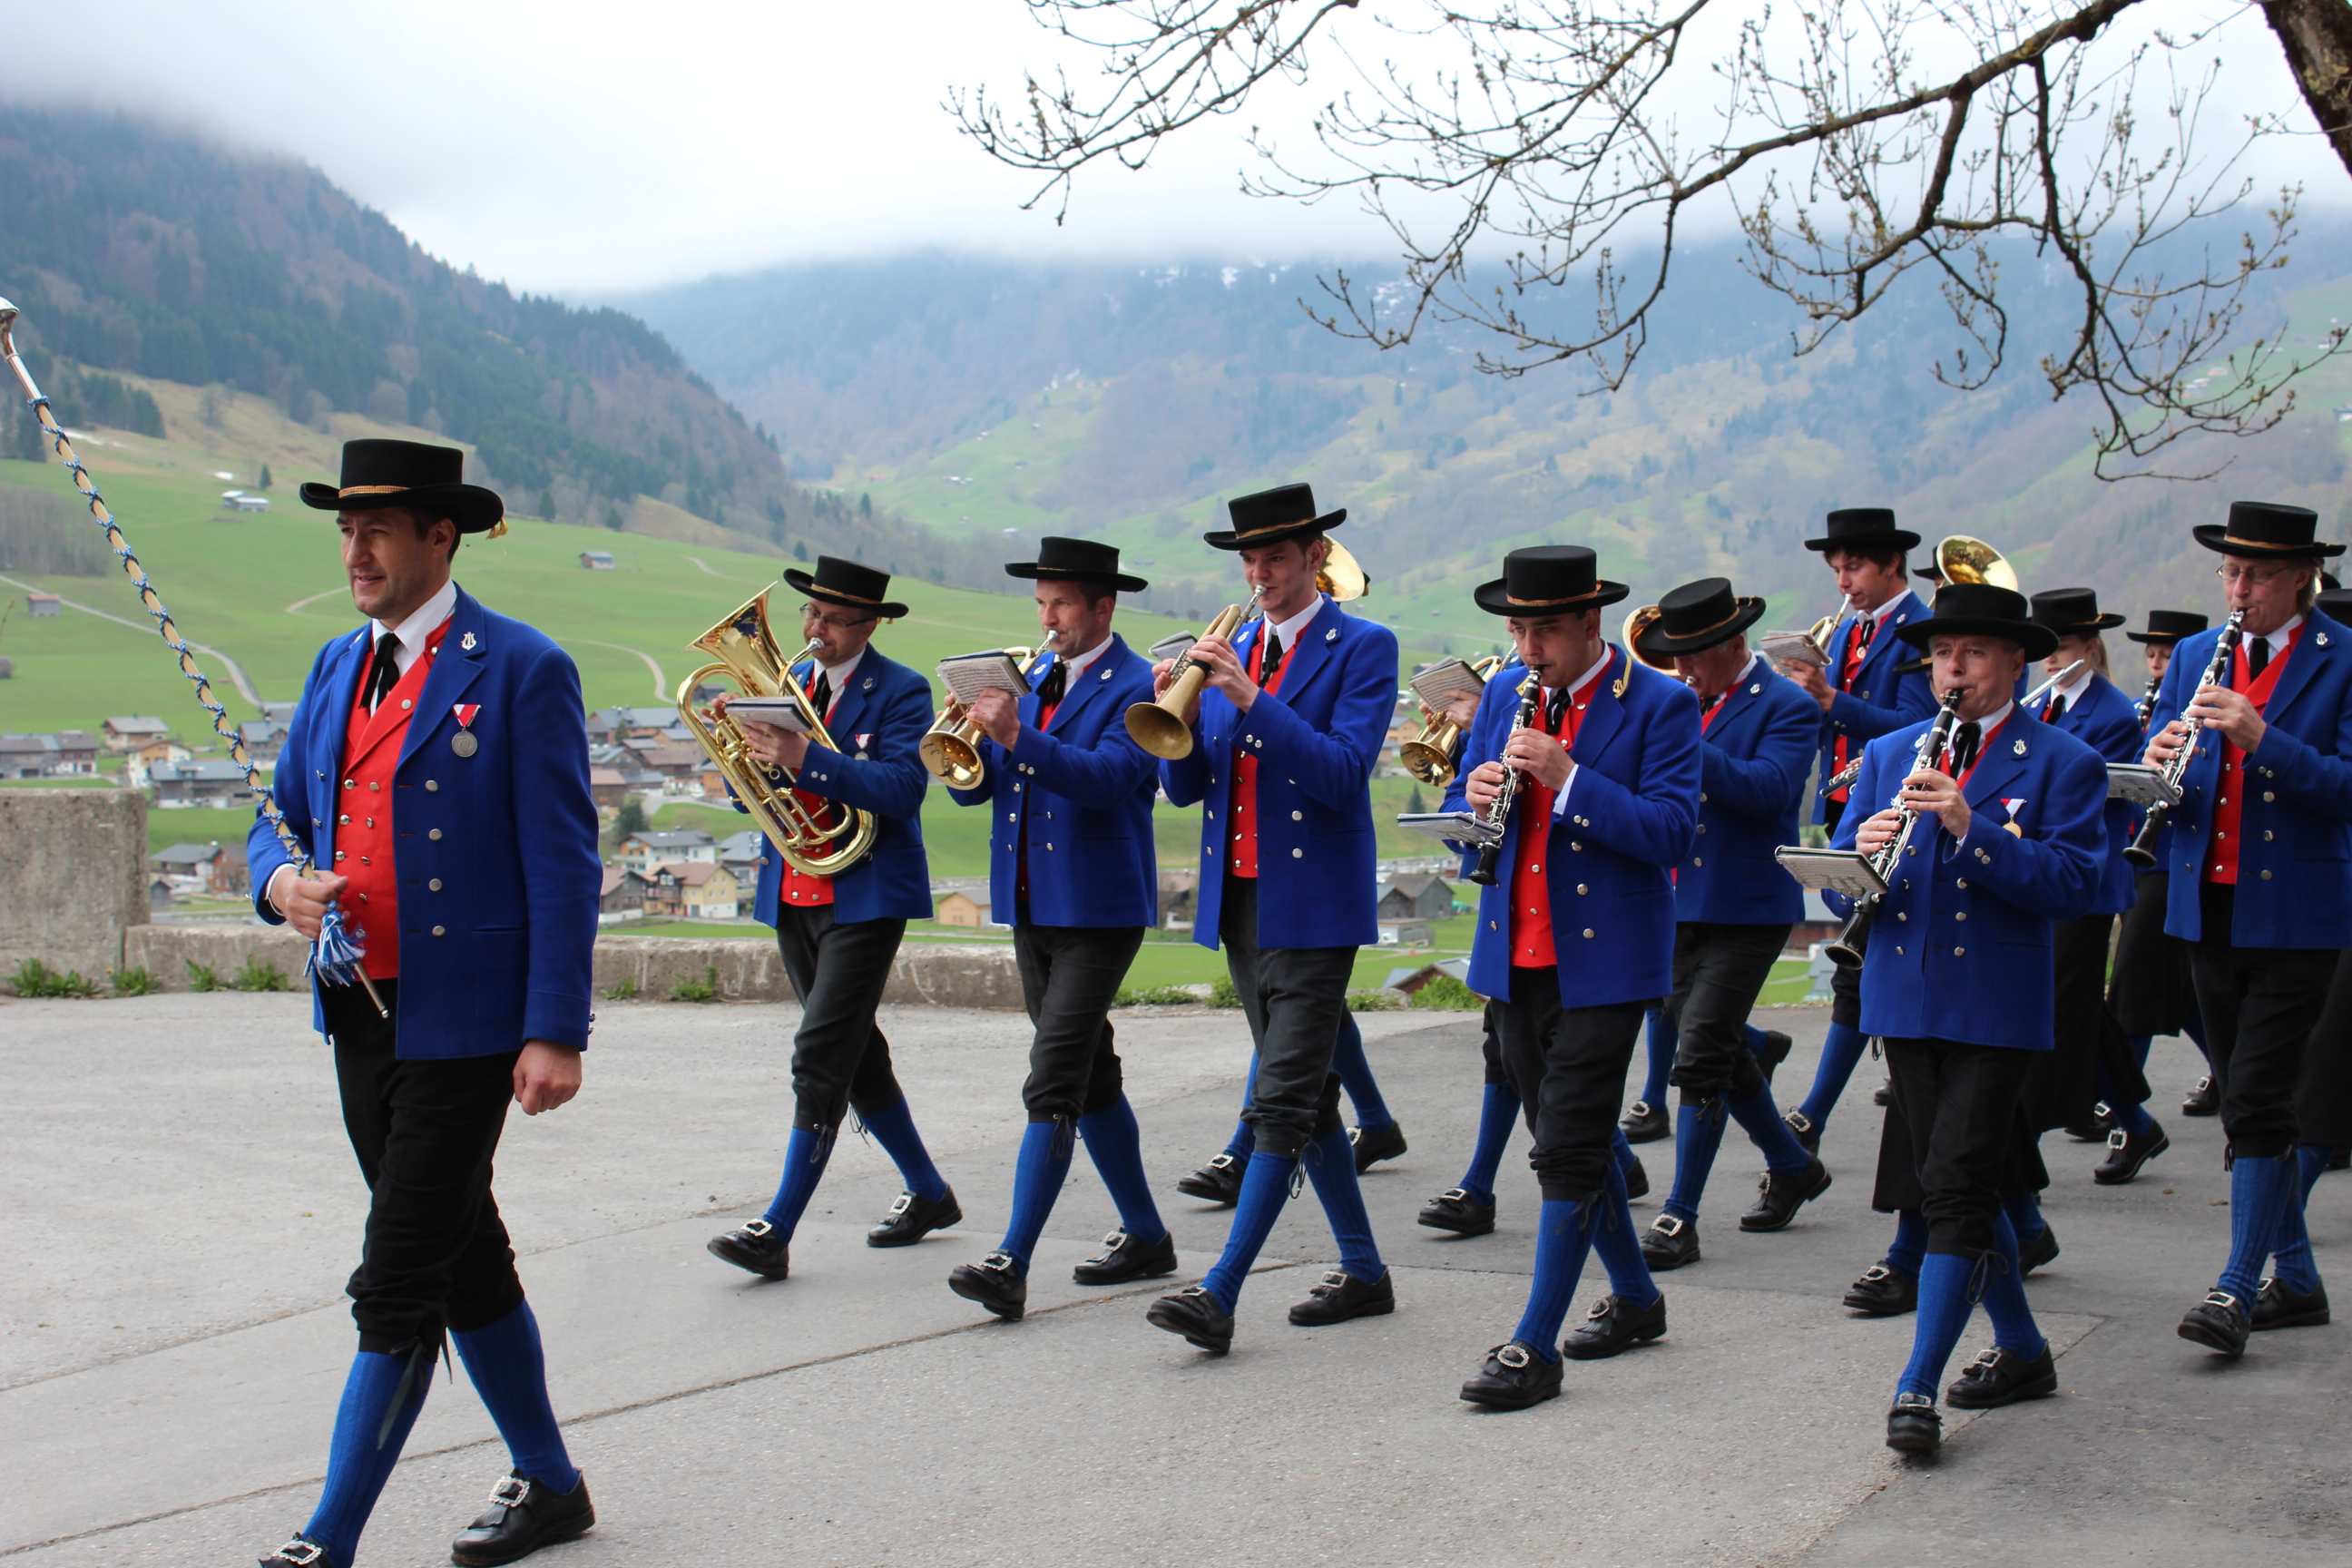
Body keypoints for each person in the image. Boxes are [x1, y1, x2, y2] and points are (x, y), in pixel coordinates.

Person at [250, 439, 602, 1568]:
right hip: (357, 1006)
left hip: (469, 1020)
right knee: (462, 1252)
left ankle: (327, 1542)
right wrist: (280, 883)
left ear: (440, 537)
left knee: (398, 1275)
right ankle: (551, 1483)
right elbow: (274, 816)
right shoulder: (332, 665)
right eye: (346, 530)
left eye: (378, 531)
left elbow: (564, 862)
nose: (356, 552)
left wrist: (555, 1029)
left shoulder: (522, 666)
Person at [1831, 581, 2109, 1455]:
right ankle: (2022, 1348)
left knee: (1951, 1189)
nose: (1954, 669)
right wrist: (1858, 854)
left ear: (2015, 661)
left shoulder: (2064, 760)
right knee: (1961, 1183)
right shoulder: (1890, 751)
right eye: (1943, 654)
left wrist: (1970, 826)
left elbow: (2075, 885)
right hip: (1904, 997)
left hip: (1995, 1002)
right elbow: (1838, 871)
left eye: (1974, 653)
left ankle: (1915, 1387)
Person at [1142, 483, 1402, 1353]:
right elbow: (1188, 786)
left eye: (1277, 558)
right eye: (1250, 560)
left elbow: (1341, 773)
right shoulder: (1234, 648)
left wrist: (1253, 700)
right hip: (1242, 903)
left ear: (1316, 558)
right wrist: (1175, 711)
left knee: (1280, 1099)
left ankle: (1219, 1289)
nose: (1260, 575)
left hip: (1317, 902)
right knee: (1310, 1095)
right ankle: (1364, 1271)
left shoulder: (1362, 646)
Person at [1446, 546, 1700, 1409]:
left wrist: (1571, 778)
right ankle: (1635, 1297)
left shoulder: (1660, 702)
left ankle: (1533, 1345)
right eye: (1518, 630)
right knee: (1572, 1142)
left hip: (1608, 960)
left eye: (1545, 630)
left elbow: (1672, 832)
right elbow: (1467, 807)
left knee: (1566, 1151)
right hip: (1512, 951)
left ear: (1591, 621)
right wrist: (1473, 796)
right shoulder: (1503, 695)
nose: (1528, 649)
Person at [938, 538, 1177, 1319]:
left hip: (1100, 907)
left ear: (1103, 607)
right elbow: (981, 791)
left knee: (1052, 1077)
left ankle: (1011, 1260)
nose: (1048, 620)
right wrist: (964, 744)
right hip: (1031, 900)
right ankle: (1146, 1235)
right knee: (1090, 1073)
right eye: (1042, 604)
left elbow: (1109, 779)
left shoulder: (1141, 685)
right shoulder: (1033, 677)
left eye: (1062, 604)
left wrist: (1015, 735)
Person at [705, 557, 960, 1281]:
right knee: (857, 1054)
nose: (815, 630)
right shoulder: (786, 687)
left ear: (869, 625)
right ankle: (929, 1192)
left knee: (820, 1055)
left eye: (834, 619)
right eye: (811, 614)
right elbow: (751, 796)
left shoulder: (901, 691)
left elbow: (903, 790)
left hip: (866, 895)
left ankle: (777, 1227)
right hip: (794, 889)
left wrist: (806, 756)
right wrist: (736, 752)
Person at [2142, 503, 2352, 1359]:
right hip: (2207, 904)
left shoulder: (2345, 657)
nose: (2240, 590)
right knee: (2242, 1099)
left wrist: (2262, 737)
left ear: (2303, 576)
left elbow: (2346, 790)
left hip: (2298, 912)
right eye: (2231, 573)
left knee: (2262, 1097)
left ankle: (2235, 1286)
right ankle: (2295, 1280)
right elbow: (2178, 777)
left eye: (2258, 575)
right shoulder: (2198, 654)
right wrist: (2158, 763)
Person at [1631, 579, 1830, 1273]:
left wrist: (1685, 740)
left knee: (1699, 1057)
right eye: (1676, 658)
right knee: (1714, 1045)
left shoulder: (1787, 704)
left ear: (1735, 643)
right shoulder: (1683, 699)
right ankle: (1792, 1164)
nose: (1683, 669)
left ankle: (1679, 1216)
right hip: (1677, 899)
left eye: (1694, 656)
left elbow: (1770, 791)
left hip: (1748, 905)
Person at [1768, 509, 1936, 1154]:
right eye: (1837, 569)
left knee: (1859, 958)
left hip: (1900, 809)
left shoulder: (1920, 633)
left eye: (1855, 567)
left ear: (1892, 564)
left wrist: (1832, 700)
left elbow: (1917, 727)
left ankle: (1813, 1113)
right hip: (1848, 809)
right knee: (1861, 956)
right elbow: (1830, 724)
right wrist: (1797, 702)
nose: (1843, 582)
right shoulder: (1845, 633)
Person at [2019, 589, 2164, 1191]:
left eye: (2063, 648)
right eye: (2046, 649)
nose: (2051, 660)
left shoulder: (2112, 714)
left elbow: (2083, 791)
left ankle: (2018, 1152)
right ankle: (2138, 1124)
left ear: (2089, 647)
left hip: (2089, 879)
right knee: (2083, 1013)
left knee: (2056, 1010)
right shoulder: (2042, 703)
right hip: (2043, 870)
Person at [2109, 611, 2215, 1117]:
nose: (2157, 665)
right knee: (2183, 986)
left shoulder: (2211, 705)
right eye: (2151, 655)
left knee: (2136, 978)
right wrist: (2148, 758)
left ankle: (2120, 1101)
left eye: (2167, 656)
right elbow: (2133, 771)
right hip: (2143, 852)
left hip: (2177, 854)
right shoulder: (2141, 708)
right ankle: (2231, 1075)